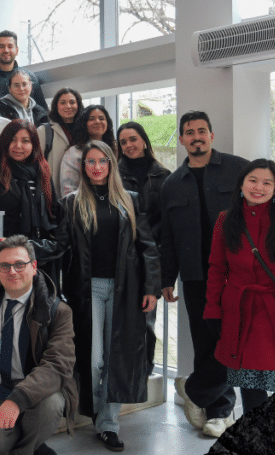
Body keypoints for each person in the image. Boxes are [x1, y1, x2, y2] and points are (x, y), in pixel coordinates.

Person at [57, 140, 160, 452]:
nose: (97, 166)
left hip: (124, 291)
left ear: (111, 164)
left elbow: (147, 247)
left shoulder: (129, 200)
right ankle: (99, 412)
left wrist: (152, 288)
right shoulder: (72, 203)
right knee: (96, 360)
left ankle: (109, 424)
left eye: (102, 161)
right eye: (90, 161)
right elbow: (61, 245)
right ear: (84, 167)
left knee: (117, 360)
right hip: (87, 291)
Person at [159, 111, 250, 438]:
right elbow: (167, 237)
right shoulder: (171, 184)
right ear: (182, 139)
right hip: (196, 277)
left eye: (201, 131)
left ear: (211, 135)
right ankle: (219, 411)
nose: (196, 136)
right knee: (206, 341)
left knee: (237, 340)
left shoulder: (240, 169)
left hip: (238, 275)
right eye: (189, 132)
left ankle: (195, 388)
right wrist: (166, 279)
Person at [204, 159, 275, 417]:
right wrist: (213, 310)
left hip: (271, 314)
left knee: (262, 384)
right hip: (236, 312)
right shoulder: (226, 220)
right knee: (248, 384)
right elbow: (217, 269)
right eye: (253, 180)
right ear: (241, 184)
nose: (258, 187)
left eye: (267, 182)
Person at [0, 235, 78, 455]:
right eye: (5, 266)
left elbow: (59, 364)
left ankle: (26, 448)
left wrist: (17, 400)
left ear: (34, 267)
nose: (12, 272)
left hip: (35, 385)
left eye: (19, 264)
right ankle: (34, 447)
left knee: (52, 406)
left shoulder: (58, 311)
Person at [0, 120, 62, 277]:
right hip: (2, 261)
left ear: (34, 144)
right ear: (4, 142)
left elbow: (52, 213)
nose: (18, 145)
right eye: (12, 139)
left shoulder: (42, 172)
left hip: (37, 259)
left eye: (25, 141)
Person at [116, 121, 172, 372]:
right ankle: (123, 373)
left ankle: (145, 372)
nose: (129, 145)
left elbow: (168, 219)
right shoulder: (113, 174)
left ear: (144, 141)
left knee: (147, 317)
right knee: (122, 319)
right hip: (122, 254)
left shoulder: (164, 175)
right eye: (124, 142)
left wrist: (149, 237)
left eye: (133, 139)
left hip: (151, 256)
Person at [0, 30, 47, 110]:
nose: (6, 50)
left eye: (10, 46)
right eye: (2, 46)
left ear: (17, 50)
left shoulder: (30, 77)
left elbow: (42, 110)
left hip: (25, 122)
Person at [59, 105, 115, 198]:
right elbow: (68, 189)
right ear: (84, 124)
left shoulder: (114, 150)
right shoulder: (74, 153)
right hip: (83, 207)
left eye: (101, 118)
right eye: (92, 119)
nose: (97, 122)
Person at [38, 88, 80, 198]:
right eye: (63, 102)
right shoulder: (44, 131)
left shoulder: (85, 131)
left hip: (81, 195)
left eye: (72, 102)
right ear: (56, 106)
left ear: (78, 105)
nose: (68, 106)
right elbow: (36, 164)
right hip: (52, 196)